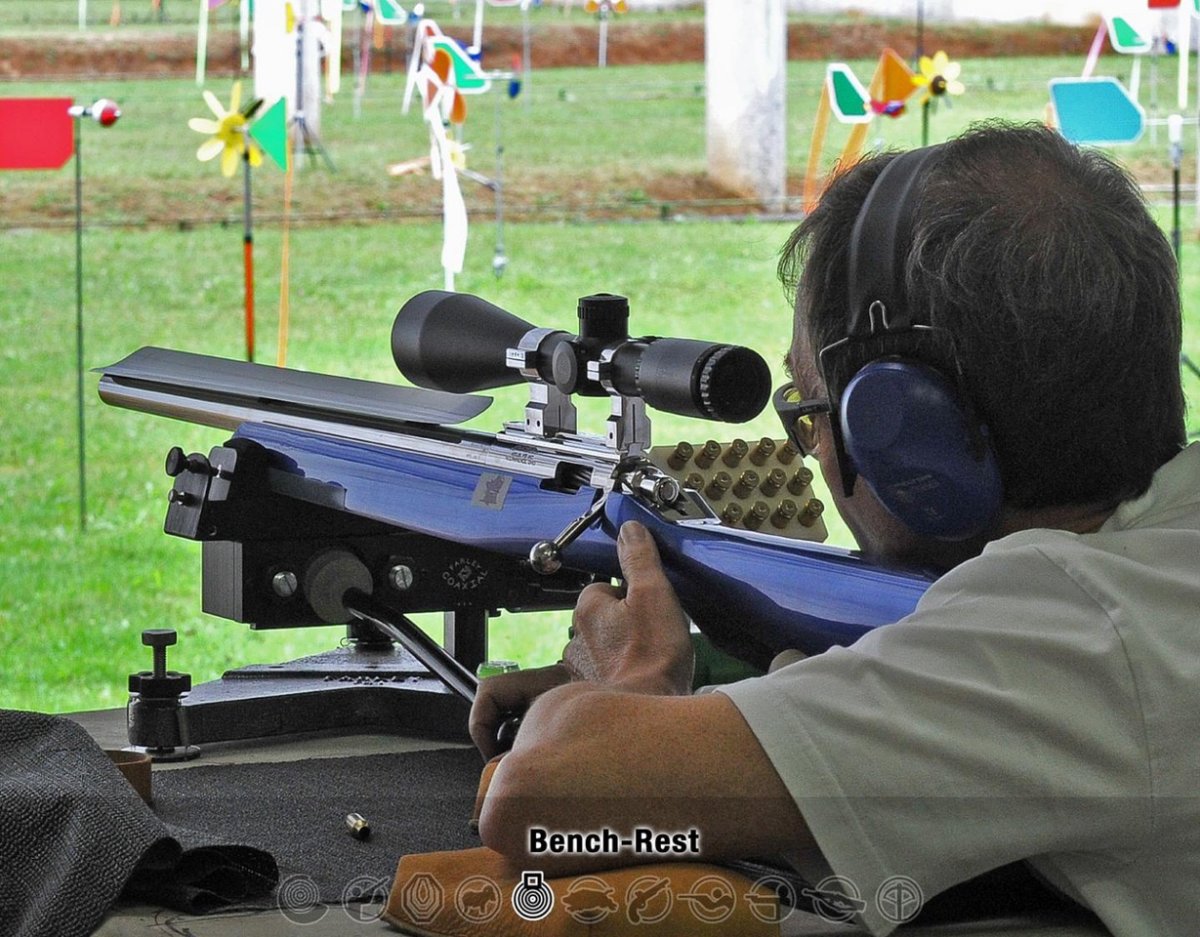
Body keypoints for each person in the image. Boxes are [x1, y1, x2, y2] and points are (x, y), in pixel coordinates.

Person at [468, 122, 1200, 935]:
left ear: (907, 431)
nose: (814, 449)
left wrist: (631, 677)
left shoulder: (1071, 627)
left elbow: (545, 801)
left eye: (812, 411)